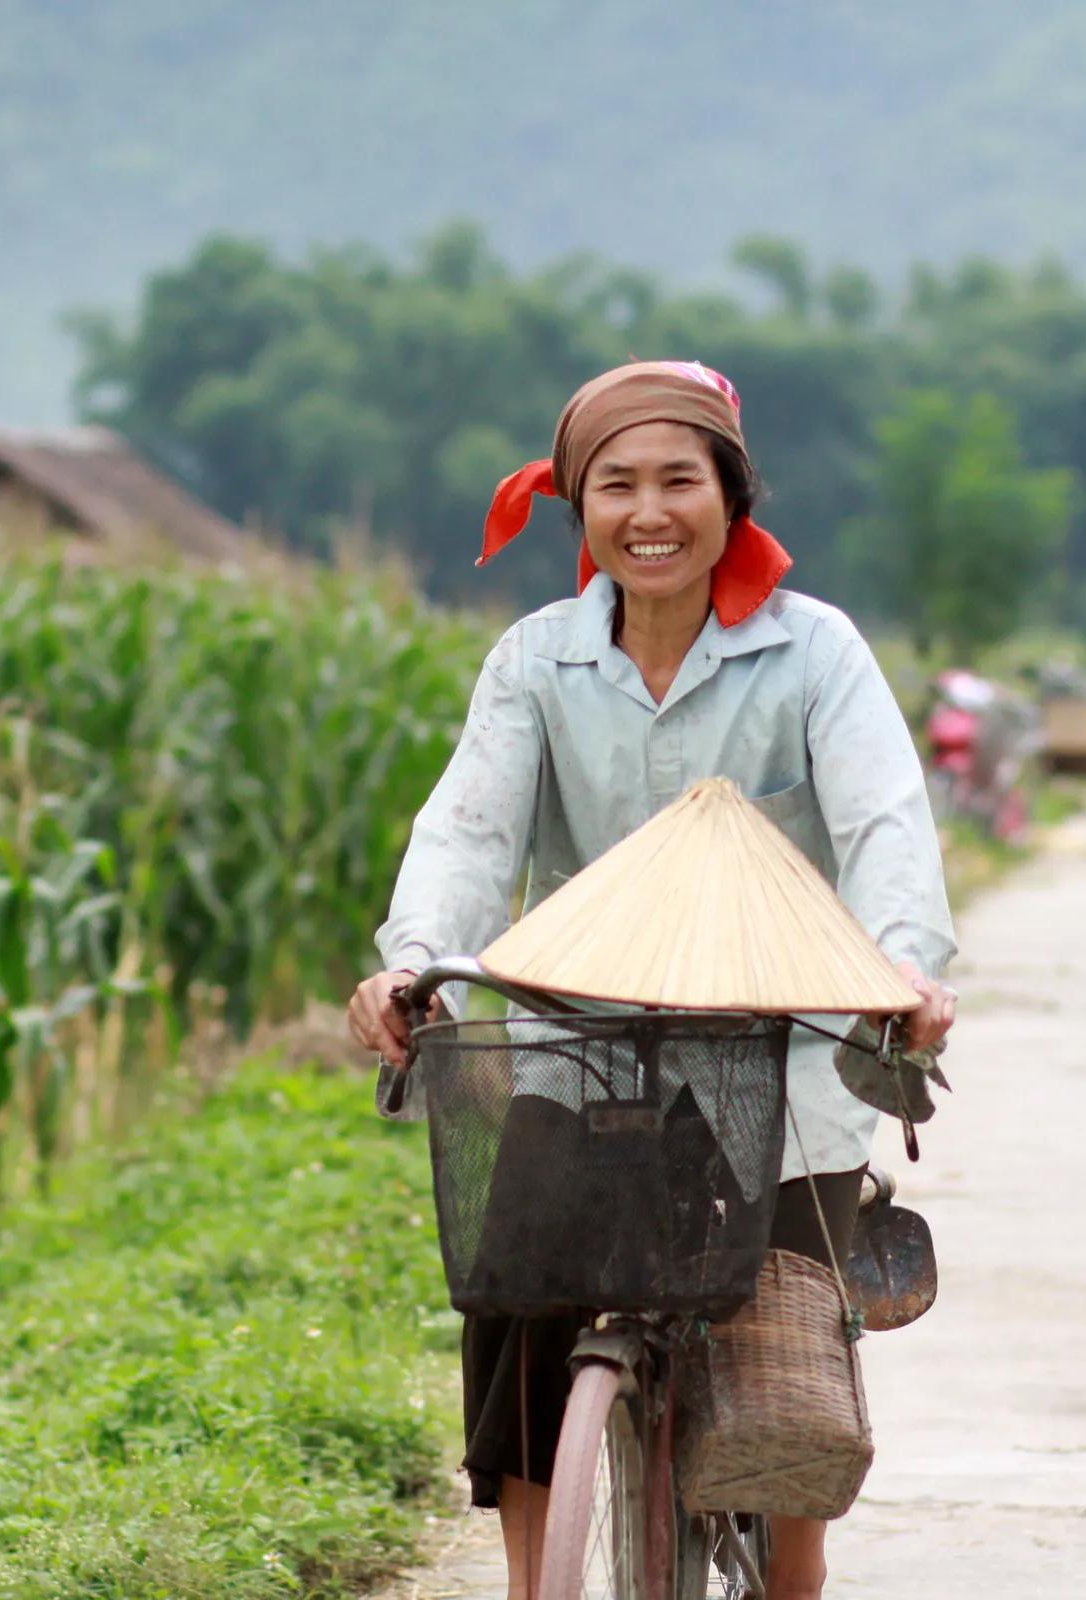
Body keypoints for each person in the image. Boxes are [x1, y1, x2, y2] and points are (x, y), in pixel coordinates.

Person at [347, 360, 957, 1599]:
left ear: (730, 496)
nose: (651, 511)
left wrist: (903, 970)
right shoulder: (536, 664)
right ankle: (539, 1581)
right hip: (586, 1056)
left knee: (785, 1364)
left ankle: (791, 1572)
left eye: (681, 479)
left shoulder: (813, 654)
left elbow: (887, 822)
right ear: (580, 513)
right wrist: (415, 968)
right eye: (617, 485)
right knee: (517, 1296)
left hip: (783, 1060)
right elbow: (467, 832)